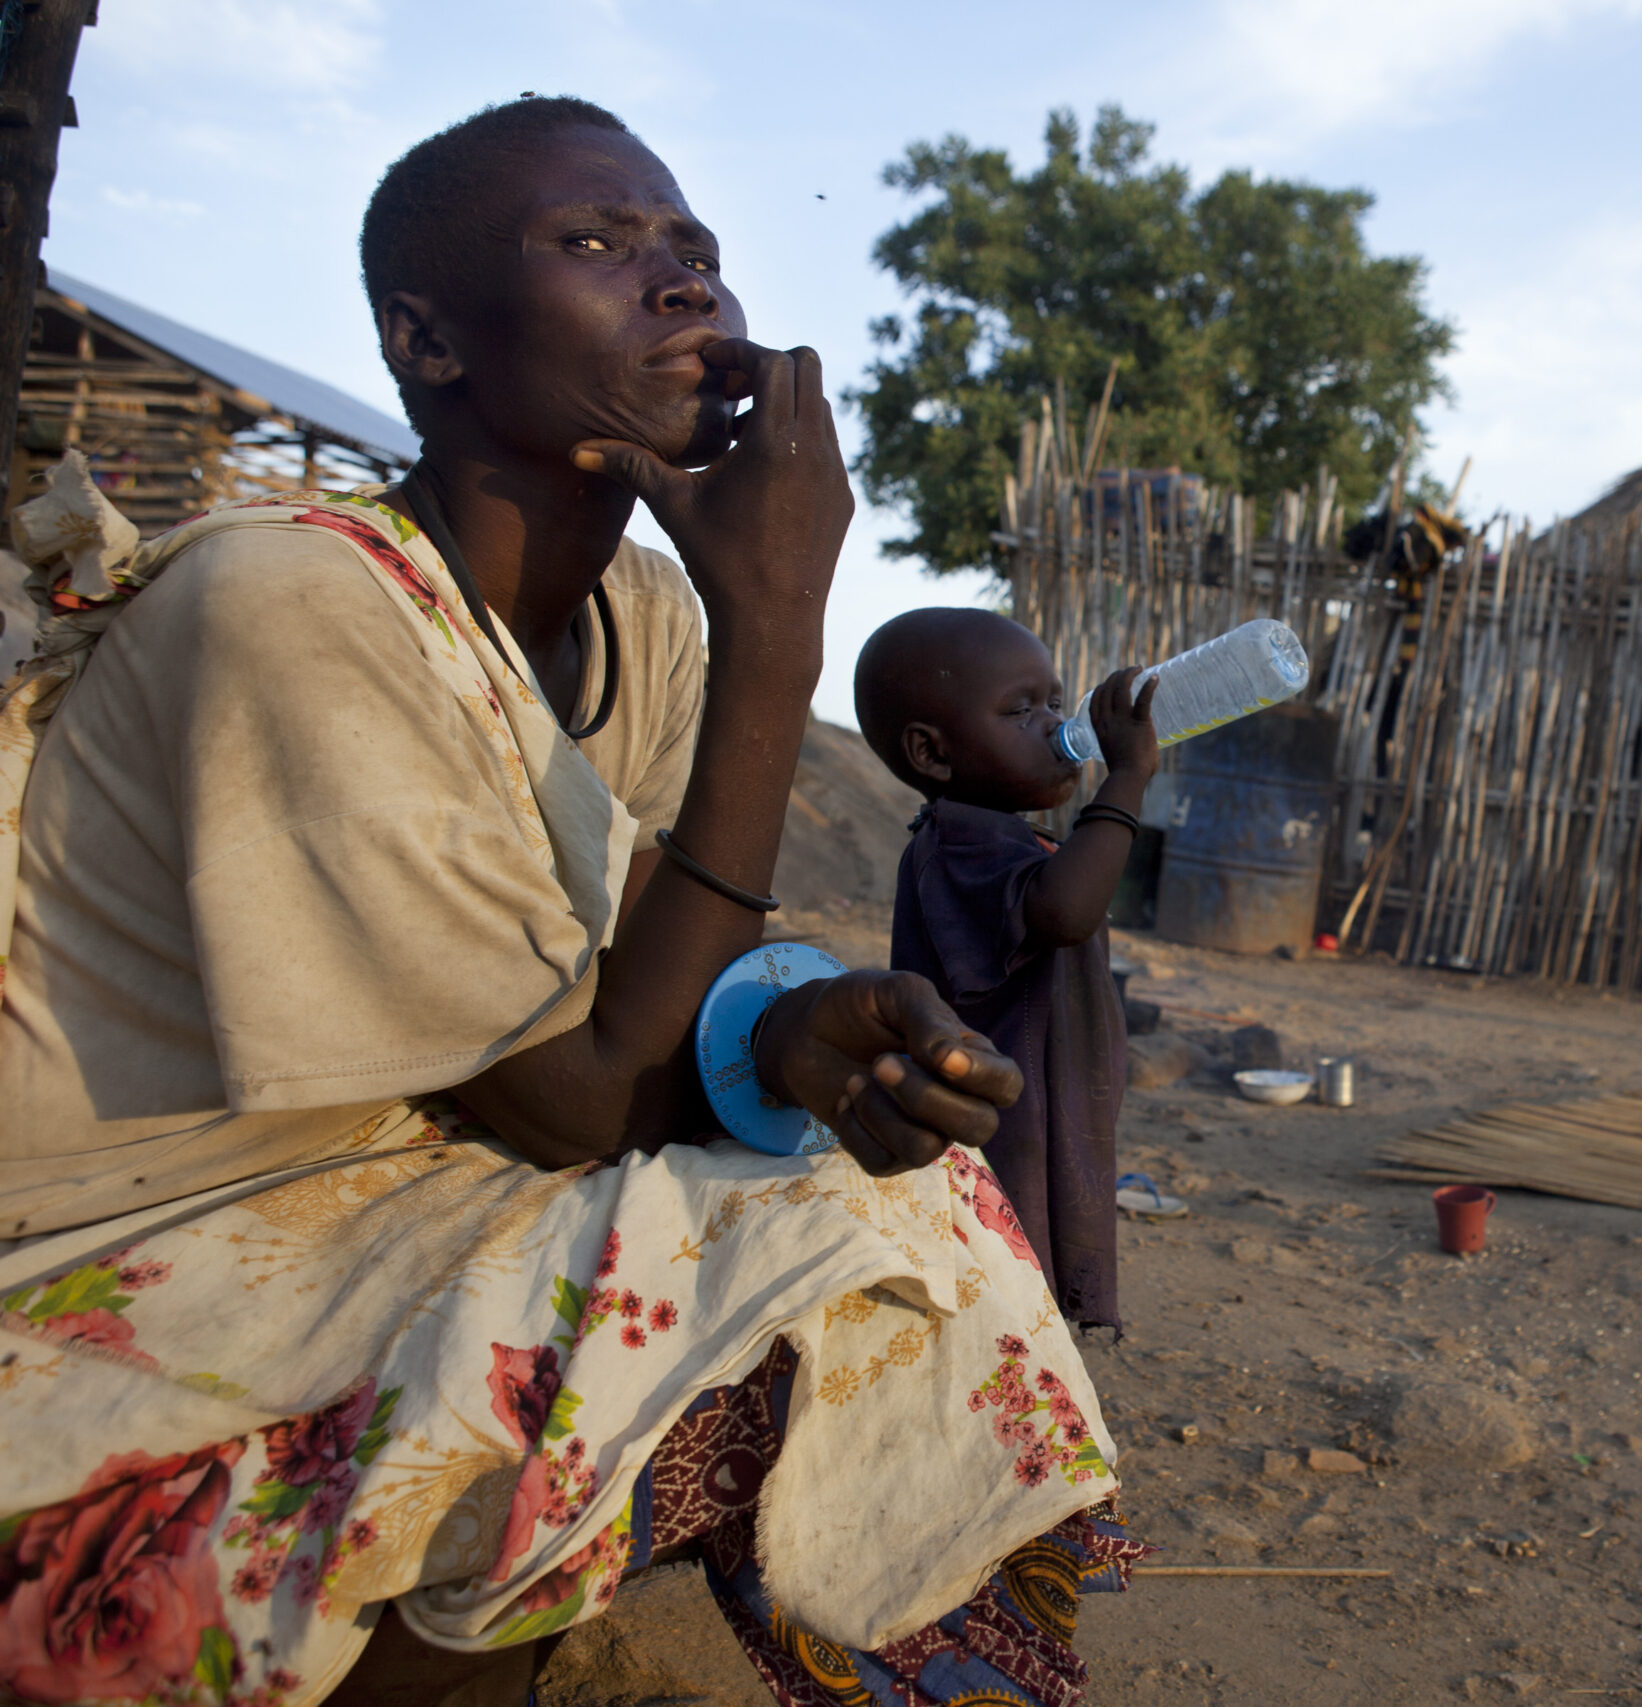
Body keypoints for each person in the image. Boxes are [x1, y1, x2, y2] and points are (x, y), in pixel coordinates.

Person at [0, 98, 1140, 1707]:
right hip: (134, 1220)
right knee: (765, 1250)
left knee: (888, 1195)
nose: (683, 283)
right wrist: (780, 632)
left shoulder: (644, 614)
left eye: (696, 250)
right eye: (597, 243)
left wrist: (793, 1032)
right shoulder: (290, 603)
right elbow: (576, 1097)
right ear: (430, 340)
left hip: (404, 1150)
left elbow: (664, 972)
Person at [855, 611, 1156, 1334]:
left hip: (1036, 1107)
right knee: (1001, 1280)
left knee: (1024, 1278)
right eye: (1021, 711)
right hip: (995, 1123)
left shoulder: (1006, 837)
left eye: (1054, 701)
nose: (1055, 724)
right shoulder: (960, 841)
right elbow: (1062, 913)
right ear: (932, 753)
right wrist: (1128, 779)